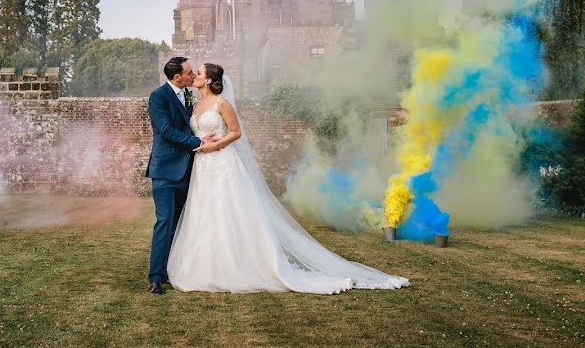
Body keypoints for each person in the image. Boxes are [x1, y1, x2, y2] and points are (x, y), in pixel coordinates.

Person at [166, 63, 410, 294]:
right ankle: (206, 265)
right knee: (204, 211)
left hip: (222, 163)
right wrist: (200, 145)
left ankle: (239, 265)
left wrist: (216, 144)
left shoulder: (222, 103)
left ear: (208, 79)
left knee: (228, 209)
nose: (194, 75)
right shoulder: (195, 105)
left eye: (198, 72)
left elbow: (236, 132)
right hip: (202, 166)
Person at [144, 56, 219, 295]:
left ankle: (171, 270)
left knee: (180, 224)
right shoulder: (159, 96)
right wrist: (197, 142)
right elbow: (165, 130)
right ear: (177, 77)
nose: (192, 75)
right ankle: (155, 277)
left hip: (188, 170)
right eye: (189, 72)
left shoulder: (188, 97)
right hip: (165, 170)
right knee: (164, 222)